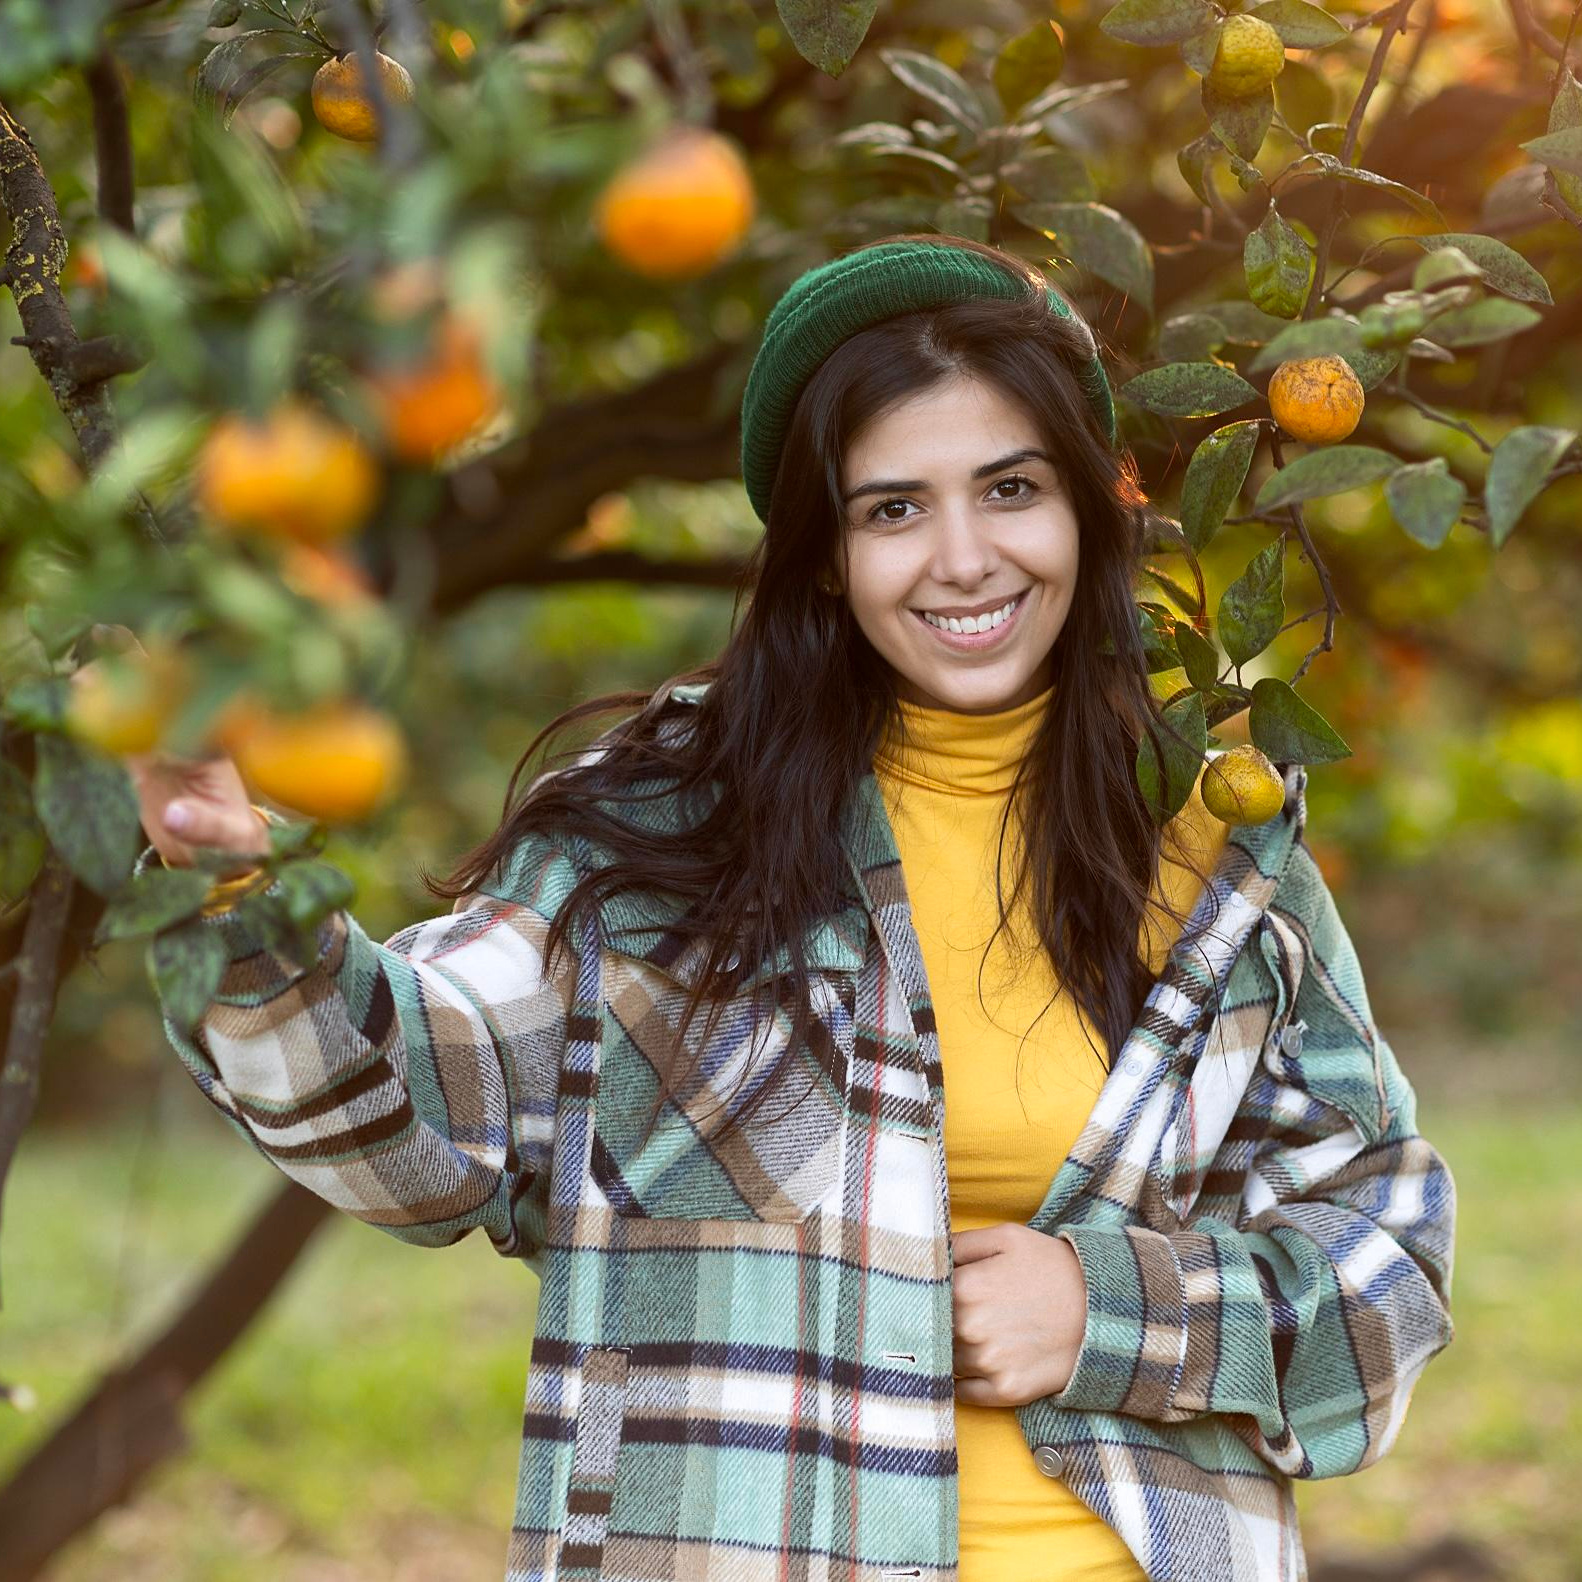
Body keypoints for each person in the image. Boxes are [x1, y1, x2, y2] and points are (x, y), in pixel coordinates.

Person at [130, 233, 1457, 1582]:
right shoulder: (661, 832)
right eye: (891, 509)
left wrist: (1110, 1311)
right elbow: (414, 1115)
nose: (961, 559)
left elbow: (1386, 1247)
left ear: (1085, 509)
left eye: (1009, 489)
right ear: (823, 557)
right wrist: (239, 886)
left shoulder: (1210, 838)